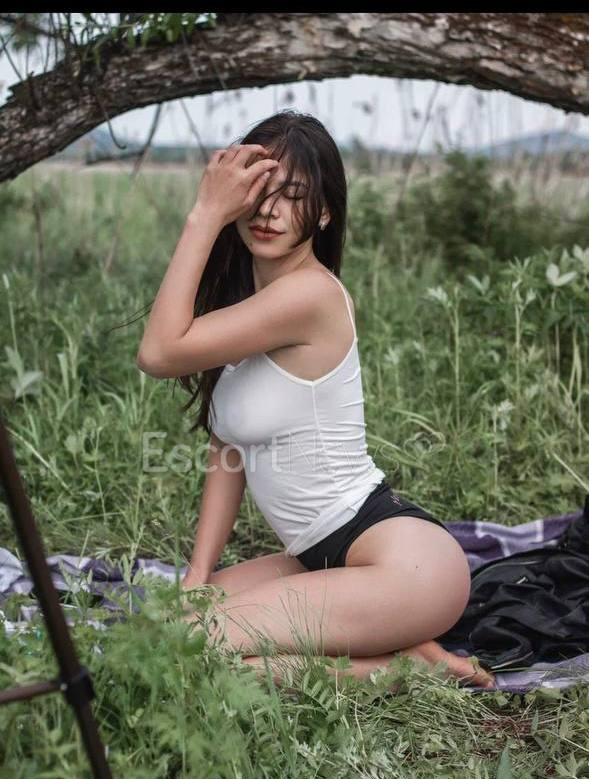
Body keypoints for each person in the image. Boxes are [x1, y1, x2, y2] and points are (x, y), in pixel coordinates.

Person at [136, 111, 495, 691]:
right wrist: (198, 575)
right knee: (162, 632)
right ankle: (393, 643)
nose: (269, 211)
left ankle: (407, 668)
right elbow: (229, 449)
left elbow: (157, 353)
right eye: (258, 191)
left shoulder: (310, 295)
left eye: (294, 196)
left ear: (324, 212)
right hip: (318, 558)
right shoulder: (248, 312)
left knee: (194, 652)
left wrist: (205, 212)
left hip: (404, 563)